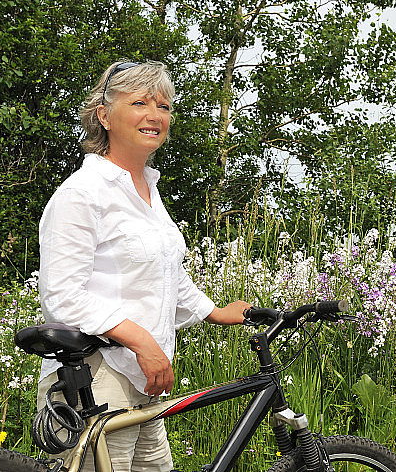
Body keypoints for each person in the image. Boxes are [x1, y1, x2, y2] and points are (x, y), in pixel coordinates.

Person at [36, 60, 251, 471]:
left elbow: (167, 276)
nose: (155, 115)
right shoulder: (83, 194)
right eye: (139, 103)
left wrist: (216, 312)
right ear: (104, 115)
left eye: (164, 106)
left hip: (144, 380)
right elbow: (62, 295)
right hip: (99, 374)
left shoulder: (148, 192)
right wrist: (141, 341)